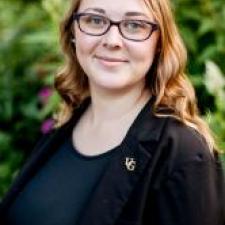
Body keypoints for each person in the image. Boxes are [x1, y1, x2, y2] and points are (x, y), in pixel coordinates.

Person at [0, 0, 225, 224]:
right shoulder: (65, 125)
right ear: (73, 32)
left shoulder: (184, 155)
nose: (112, 41)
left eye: (134, 25)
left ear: (159, 41)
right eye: (95, 20)